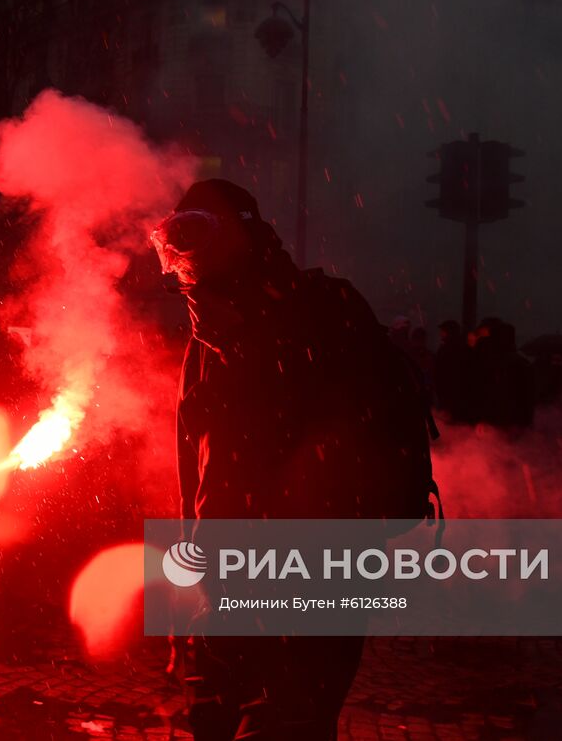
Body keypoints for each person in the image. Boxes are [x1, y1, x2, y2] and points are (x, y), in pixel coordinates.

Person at [150, 179, 435, 741]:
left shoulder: (320, 314)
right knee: (217, 720)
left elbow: (315, 446)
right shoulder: (205, 341)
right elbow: (199, 473)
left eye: (202, 231)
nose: (187, 253)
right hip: (231, 583)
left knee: (287, 724)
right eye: (177, 236)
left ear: (245, 236)